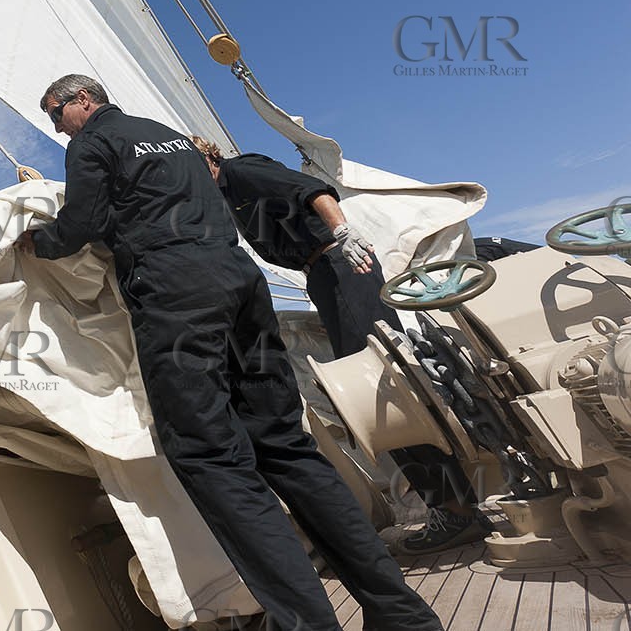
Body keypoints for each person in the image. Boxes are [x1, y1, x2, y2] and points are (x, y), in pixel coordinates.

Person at [14, 75, 442, 631]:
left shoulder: (92, 143)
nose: (55, 125)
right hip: (241, 286)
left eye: (56, 112)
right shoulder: (172, 137)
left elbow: (81, 226)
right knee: (285, 444)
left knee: (210, 455)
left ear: (84, 100)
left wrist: (36, 241)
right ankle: (402, 616)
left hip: (175, 295)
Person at [189, 137, 488, 555]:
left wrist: (343, 234)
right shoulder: (227, 195)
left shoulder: (241, 172)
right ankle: (456, 508)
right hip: (327, 276)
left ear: (208, 156)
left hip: (339, 264)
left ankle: (456, 513)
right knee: (381, 389)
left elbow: (311, 190)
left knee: (379, 390)